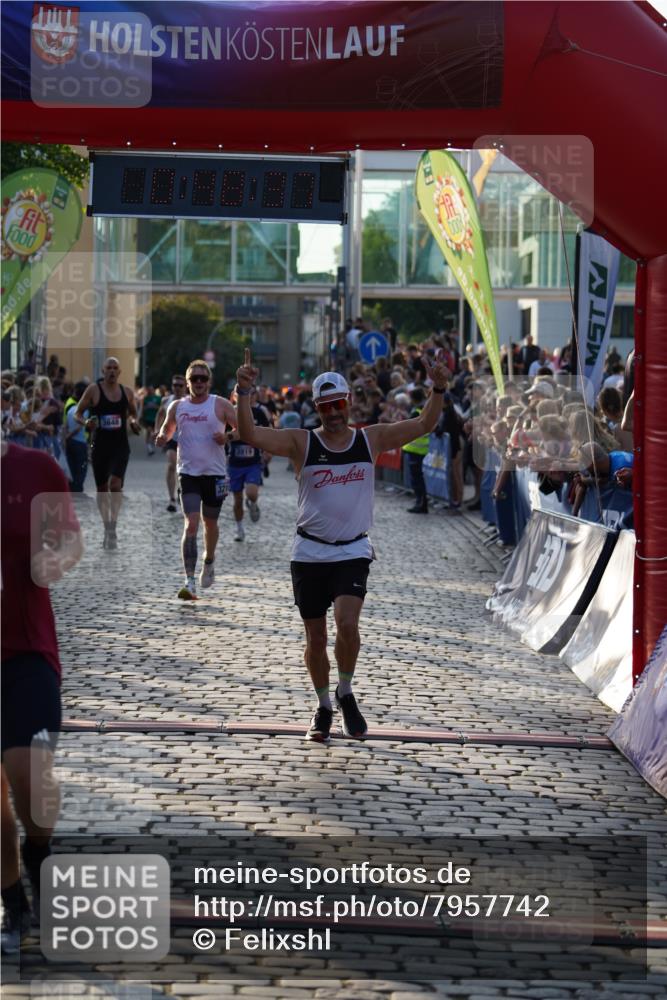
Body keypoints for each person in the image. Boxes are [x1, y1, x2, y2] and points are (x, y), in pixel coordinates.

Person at [235, 349, 449, 743]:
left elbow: (424, 423)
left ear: (348, 402)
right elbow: (250, 435)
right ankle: (322, 704)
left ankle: (346, 689)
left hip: (352, 550)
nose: (333, 413)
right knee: (315, 639)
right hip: (309, 552)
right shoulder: (302, 443)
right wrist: (244, 393)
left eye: (338, 404)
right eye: (325, 407)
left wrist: (437, 387)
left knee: (347, 626)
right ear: (317, 408)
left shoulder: (371, 439)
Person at [1, 440, 84, 954]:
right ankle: (15, 905)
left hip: (26, 650)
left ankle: (40, 850)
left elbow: (72, 541)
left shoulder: (35, 468)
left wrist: (56, 559)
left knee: (30, 778)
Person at [156, 359, 236, 600]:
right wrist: (161, 436)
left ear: (209, 381)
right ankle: (189, 580)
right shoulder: (177, 407)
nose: (199, 383)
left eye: (203, 378)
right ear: (188, 382)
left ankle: (209, 560)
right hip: (188, 473)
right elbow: (167, 430)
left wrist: (228, 437)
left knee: (209, 523)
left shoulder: (220, 405)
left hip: (215, 474)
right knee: (191, 523)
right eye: (194, 379)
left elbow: (243, 428)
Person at [74, 358, 141, 550]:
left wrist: (134, 422)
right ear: (103, 371)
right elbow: (77, 413)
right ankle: (107, 527)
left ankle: (114, 525)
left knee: (115, 485)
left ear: (119, 372)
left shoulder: (126, 392)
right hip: (100, 446)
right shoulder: (94, 390)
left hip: (120, 446)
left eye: (115, 368)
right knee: (102, 490)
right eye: (108, 368)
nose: (111, 371)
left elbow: (134, 414)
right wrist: (85, 423)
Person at [228, 387, 270, 542]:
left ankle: (253, 503)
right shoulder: (229, 413)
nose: (246, 397)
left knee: (252, 493)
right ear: (234, 396)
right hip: (234, 463)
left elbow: (268, 432)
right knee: (237, 500)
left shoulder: (258, 413)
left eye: (250, 393)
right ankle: (239, 529)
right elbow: (222, 434)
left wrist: (267, 451)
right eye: (241, 394)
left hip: (253, 462)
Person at [155, 374, 187, 512]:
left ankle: (182, 489)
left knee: (184, 469)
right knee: (172, 464)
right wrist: (157, 430)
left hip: (187, 440)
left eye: (180, 385)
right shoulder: (166, 400)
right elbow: (160, 414)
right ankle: (172, 499)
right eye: (175, 385)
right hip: (171, 438)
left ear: (186, 386)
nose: (177, 388)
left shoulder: (190, 401)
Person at [64, 381, 89, 492]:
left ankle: (72, 487)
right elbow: (79, 427)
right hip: (80, 442)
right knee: (81, 468)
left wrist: (66, 437)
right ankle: (78, 488)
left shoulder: (70, 410)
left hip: (70, 443)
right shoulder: (85, 411)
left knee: (72, 466)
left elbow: (65, 426)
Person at [140, 385, 162, 456]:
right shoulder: (145, 398)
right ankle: (149, 447)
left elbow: (161, 408)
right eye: (149, 390)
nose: (150, 391)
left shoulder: (158, 398)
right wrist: (142, 414)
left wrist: (156, 407)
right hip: (147, 418)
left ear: (153, 390)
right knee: (149, 431)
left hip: (155, 419)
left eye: (151, 389)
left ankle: (151, 445)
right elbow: (142, 408)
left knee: (154, 433)